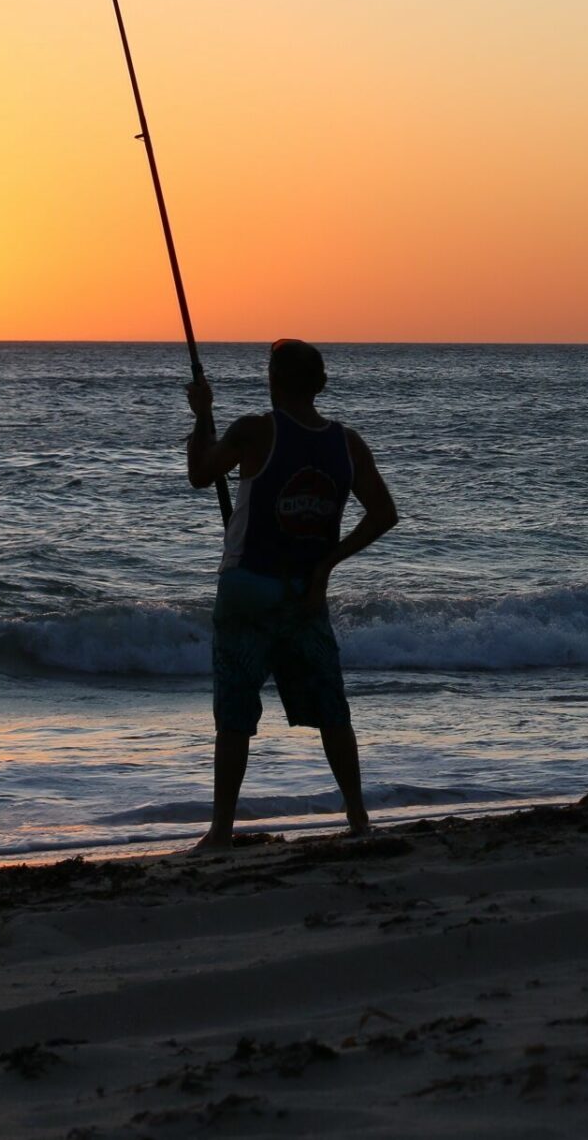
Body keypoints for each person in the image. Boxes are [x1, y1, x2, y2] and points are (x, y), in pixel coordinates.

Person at [185, 338, 399, 849]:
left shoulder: (255, 430)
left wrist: (202, 415)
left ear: (273, 380)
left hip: (246, 591)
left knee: (234, 716)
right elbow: (384, 514)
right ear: (318, 384)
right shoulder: (347, 443)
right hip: (306, 595)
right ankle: (358, 816)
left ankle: (220, 830)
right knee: (332, 711)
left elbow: (199, 473)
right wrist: (326, 566)